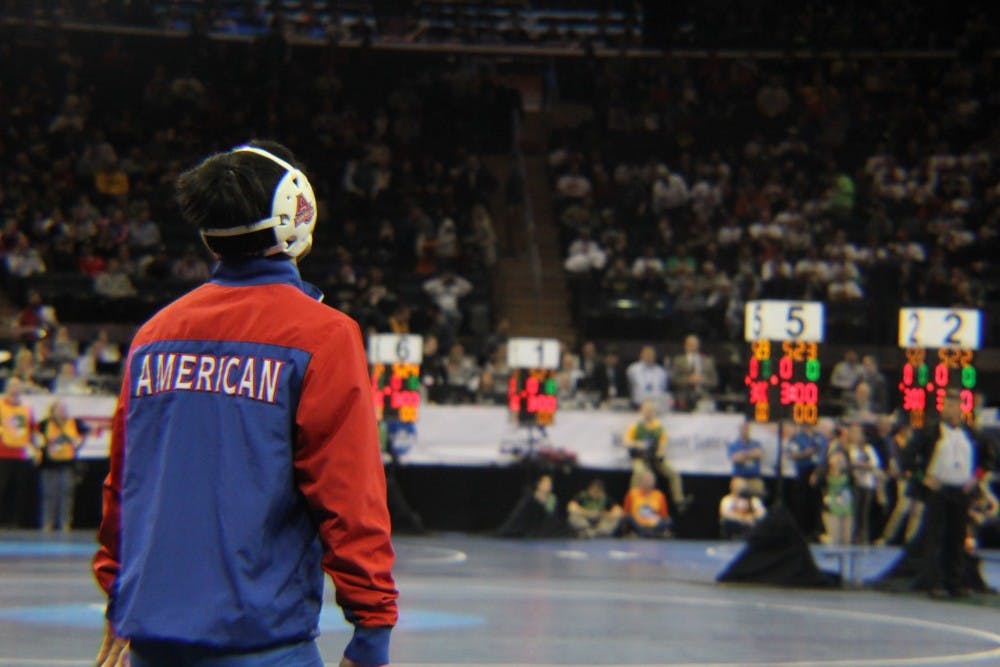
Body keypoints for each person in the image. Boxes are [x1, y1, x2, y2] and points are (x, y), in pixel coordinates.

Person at [93, 141, 397, 667]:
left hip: (150, 641)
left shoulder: (153, 335)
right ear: (298, 213)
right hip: (263, 646)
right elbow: (349, 495)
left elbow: (125, 485)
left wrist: (119, 603)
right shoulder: (323, 336)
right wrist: (372, 629)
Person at [901, 389, 997, 597]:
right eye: (947, 405)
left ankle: (954, 581)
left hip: (961, 491)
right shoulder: (930, 431)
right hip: (939, 491)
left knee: (957, 537)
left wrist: (976, 478)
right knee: (936, 537)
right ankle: (934, 582)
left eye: (955, 405)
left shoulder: (972, 434)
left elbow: (988, 459)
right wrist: (922, 477)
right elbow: (908, 457)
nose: (951, 409)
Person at [622, 400, 691, 511]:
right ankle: (633, 500)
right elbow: (626, 442)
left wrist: (659, 452)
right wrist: (638, 444)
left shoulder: (658, 427)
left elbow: (663, 443)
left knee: (673, 474)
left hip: (655, 457)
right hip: (640, 457)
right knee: (639, 473)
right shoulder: (635, 426)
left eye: (650, 411)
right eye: (646, 410)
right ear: (642, 411)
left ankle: (679, 501)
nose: (648, 413)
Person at [36, 399, 86, 532]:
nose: (63, 411)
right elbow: (37, 439)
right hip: (49, 464)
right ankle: (47, 523)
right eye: (60, 409)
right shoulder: (45, 423)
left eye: (64, 409)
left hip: (67, 463)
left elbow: (82, 437)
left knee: (66, 494)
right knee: (49, 494)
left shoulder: (74, 423)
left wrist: (77, 443)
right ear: (53, 410)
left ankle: (65, 523)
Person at [0, 379, 37, 527]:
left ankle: (15, 521)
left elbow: (32, 430)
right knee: (2, 488)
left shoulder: (26, 408)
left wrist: (35, 449)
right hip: (3, 453)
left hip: (21, 454)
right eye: (12, 386)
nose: (15, 389)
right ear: (6, 388)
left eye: (17, 387)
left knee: (19, 490)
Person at [670, 334, 718, 411]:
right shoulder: (678, 360)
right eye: (690, 344)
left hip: (703, 396)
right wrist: (688, 380)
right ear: (685, 345)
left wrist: (703, 380)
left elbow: (715, 381)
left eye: (695, 344)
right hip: (683, 397)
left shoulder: (708, 361)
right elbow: (673, 379)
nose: (693, 346)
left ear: (699, 345)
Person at [621, 468, 672, 538]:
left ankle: (651, 533)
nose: (648, 482)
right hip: (638, 524)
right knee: (627, 518)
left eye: (650, 480)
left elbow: (663, 515)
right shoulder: (632, 494)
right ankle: (642, 533)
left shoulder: (659, 495)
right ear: (641, 481)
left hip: (654, 525)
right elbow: (626, 512)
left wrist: (657, 520)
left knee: (668, 521)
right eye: (646, 480)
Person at [819, 449, 854, 546]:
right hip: (831, 506)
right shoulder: (825, 474)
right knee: (835, 538)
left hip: (847, 506)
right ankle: (825, 538)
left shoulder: (850, 475)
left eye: (841, 458)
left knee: (847, 538)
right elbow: (817, 485)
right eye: (836, 458)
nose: (838, 460)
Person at [727, 421, 765, 498]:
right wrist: (750, 454)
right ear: (739, 430)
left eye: (747, 429)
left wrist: (743, 454)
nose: (745, 431)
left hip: (754, 477)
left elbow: (759, 453)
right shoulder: (734, 444)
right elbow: (735, 458)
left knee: (759, 490)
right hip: (739, 477)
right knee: (739, 488)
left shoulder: (756, 443)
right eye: (743, 429)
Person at [625, 345, 669, 410]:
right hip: (638, 404)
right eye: (646, 354)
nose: (649, 356)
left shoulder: (661, 372)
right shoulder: (632, 369)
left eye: (651, 354)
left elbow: (664, 389)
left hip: (656, 406)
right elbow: (629, 385)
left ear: (655, 356)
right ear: (641, 355)